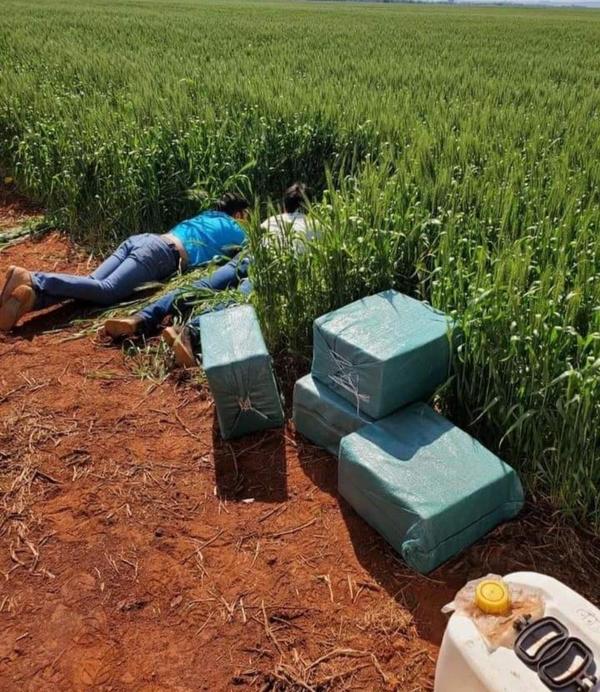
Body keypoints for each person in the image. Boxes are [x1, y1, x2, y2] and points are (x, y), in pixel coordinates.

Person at [102, 183, 314, 367]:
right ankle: (189, 332)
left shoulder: (272, 220)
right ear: (310, 207)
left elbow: (251, 242)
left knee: (203, 285)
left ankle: (139, 318)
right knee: (237, 298)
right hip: (274, 265)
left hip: (248, 256)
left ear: (285, 206)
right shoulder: (317, 226)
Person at [0, 192, 250, 332]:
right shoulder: (238, 230)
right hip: (161, 255)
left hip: (144, 241)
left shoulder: (206, 216)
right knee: (107, 292)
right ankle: (33, 278)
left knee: (92, 285)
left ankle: (32, 297)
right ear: (239, 214)